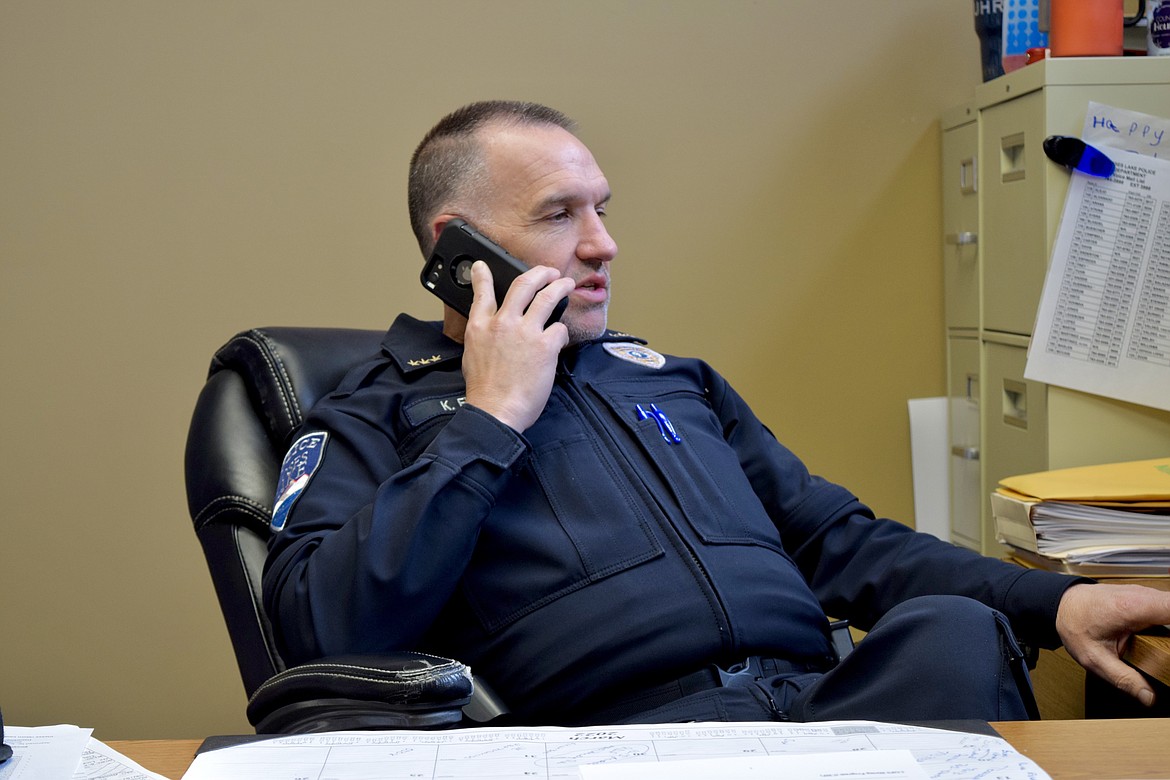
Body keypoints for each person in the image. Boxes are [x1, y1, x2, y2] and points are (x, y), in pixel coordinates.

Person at [263, 100, 1170, 725]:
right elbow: (321, 629)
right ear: (455, 246)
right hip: (615, 744)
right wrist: (491, 416)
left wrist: (1061, 602)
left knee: (956, 632)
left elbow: (841, 544)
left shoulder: (668, 380)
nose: (602, 244)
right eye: (558, 215)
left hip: (820, 718)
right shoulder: (371, 414)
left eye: (603, 210)